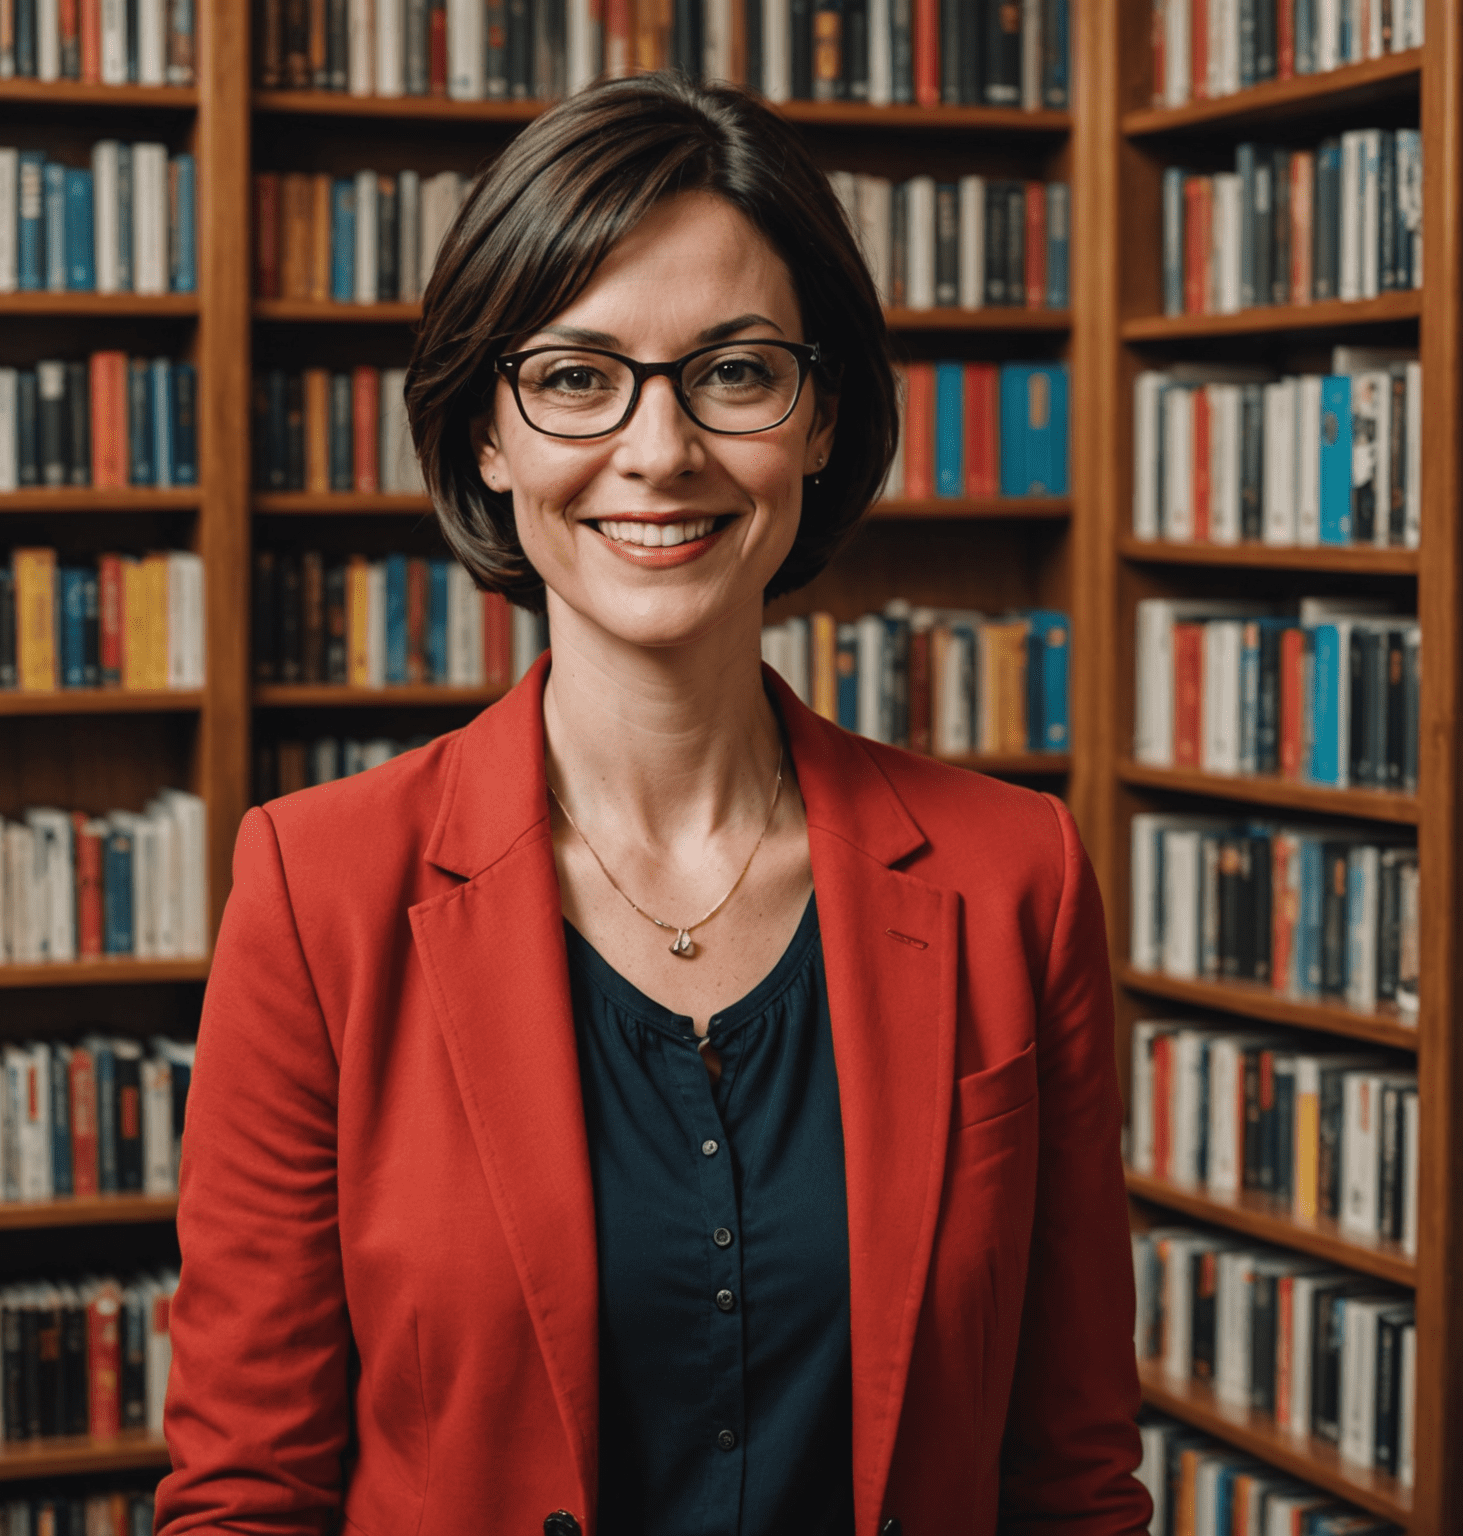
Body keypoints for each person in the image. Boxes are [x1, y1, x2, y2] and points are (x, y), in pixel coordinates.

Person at [155, 72, 1149, 1536]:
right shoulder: (319, 889)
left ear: (819, 418)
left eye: (735, 372)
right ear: (490, 439)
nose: (660, 449)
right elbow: (248, 1492)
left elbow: (1072, 1479)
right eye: (575, 376)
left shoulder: (1019, 878)